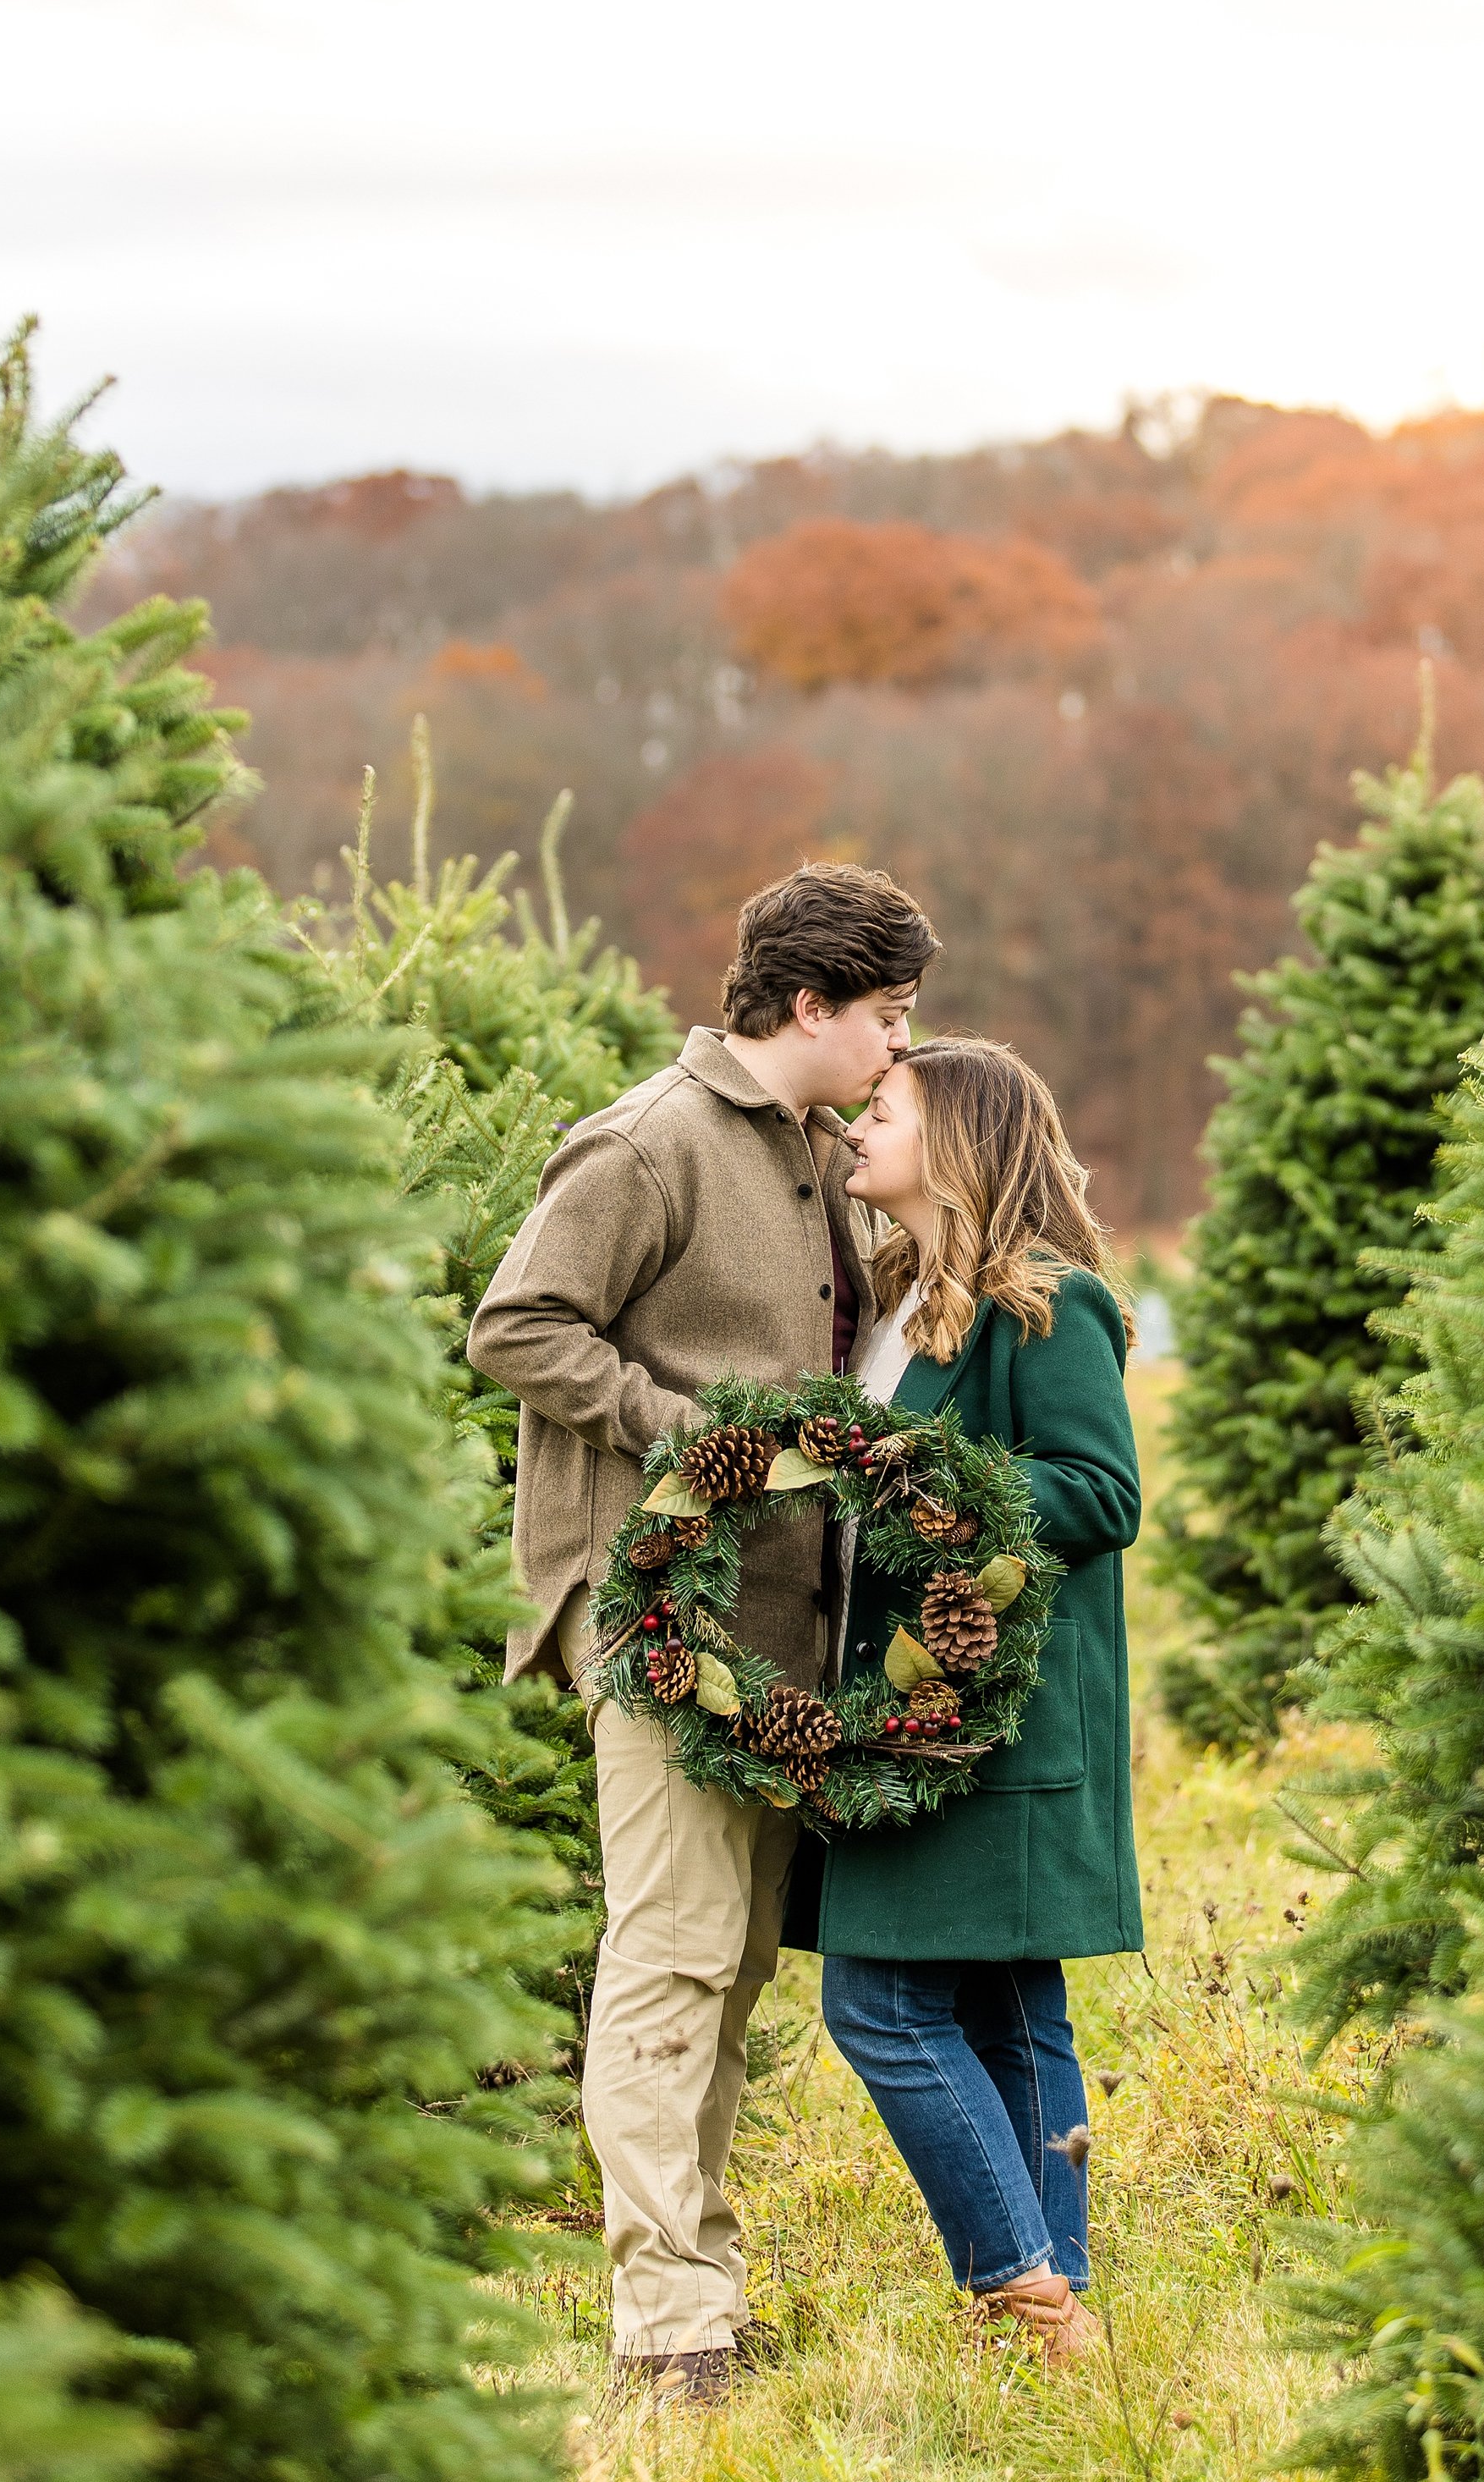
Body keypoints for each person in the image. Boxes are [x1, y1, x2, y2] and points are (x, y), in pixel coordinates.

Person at [466, 861, 940, 2408]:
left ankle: (703, 2283)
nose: (897, 1046)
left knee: (730, 1968)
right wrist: (692, 1434)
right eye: (885, 1013)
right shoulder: (649, 1142)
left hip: (784, 1631)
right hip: (665, 1621)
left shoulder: (813, 1153)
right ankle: (668, 2325)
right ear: (809, 1005)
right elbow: (519, 1326)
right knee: (669, 1960)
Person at [818, 1037, 1142, 2371]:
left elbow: (1102, 1492)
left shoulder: (1045, 1306)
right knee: (1013, 2008)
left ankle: (1027, 2295)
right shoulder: (899, 1300)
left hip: (989, 1720)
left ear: (952, 1138)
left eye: (879, 1110)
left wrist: (934, 1487)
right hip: (916, 1710)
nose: (854, 1125)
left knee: (880, 2006)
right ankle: (1053, 2310)